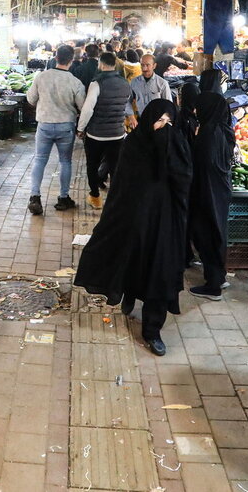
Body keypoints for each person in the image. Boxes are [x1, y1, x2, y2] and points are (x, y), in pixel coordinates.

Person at [74, 99, 193, 356]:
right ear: (148, 119)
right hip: (134, 222)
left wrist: (170, 150)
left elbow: (184, 182)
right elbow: (120, 189)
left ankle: (152, 330)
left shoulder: (178, 145)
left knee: (159, 273)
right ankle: (129, 292)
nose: (164, 127)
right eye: (159, 121)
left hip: (165, 226)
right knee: (131, 261)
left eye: (169, 122)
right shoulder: (134, 146)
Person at [25, 44, 85, 215]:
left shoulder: (41, 77)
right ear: (71, 61)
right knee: (65, 161)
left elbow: (30, 99)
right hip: (66, 126)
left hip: (44, 124)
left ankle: (35, 196)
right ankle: (63, 198)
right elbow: (82, 106)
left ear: (56, 58)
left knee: (40, 160)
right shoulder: (75, 82)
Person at [188, 91, 233, 299]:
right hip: (220, 191)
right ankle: (219, 277)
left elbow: (203, 167)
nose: (196, 111)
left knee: (207, 234)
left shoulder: (208, 134)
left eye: (200, 107)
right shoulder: (223, 129)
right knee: (217, 233)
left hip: (208, 193)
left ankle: (213, 286)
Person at [76, 52, 133, 208]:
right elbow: (125, 105)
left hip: (96, 134)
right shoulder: (125, 83)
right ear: (114, 65)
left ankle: (95, 197)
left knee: (92, 165)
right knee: (115, 167)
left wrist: (80, 128)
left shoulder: (96, 83)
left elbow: (88, 109)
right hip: (117, 134)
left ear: (100, 64)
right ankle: (114, 200)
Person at [128, 54, 172, 126]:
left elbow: (169, 105)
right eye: (142, 65)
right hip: (140, 120)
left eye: (147, 65)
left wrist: (162, 122)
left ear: (154, 66)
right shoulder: (134, 82)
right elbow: (127, 101)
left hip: (157, 123)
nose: (144, 68)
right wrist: (131, 117)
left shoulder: (162, 83)